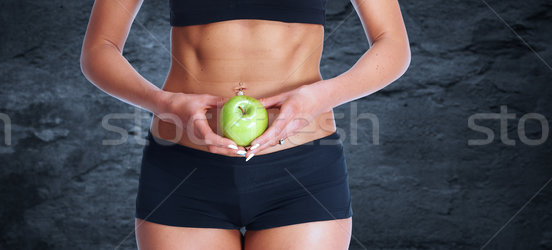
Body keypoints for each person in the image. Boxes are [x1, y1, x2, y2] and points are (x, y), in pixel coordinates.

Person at [81, 0, 410, 248]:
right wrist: (164, 104)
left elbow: (392, 43)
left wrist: (322, 97)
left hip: (302, 172)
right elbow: (99, 48)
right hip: (183, 168)